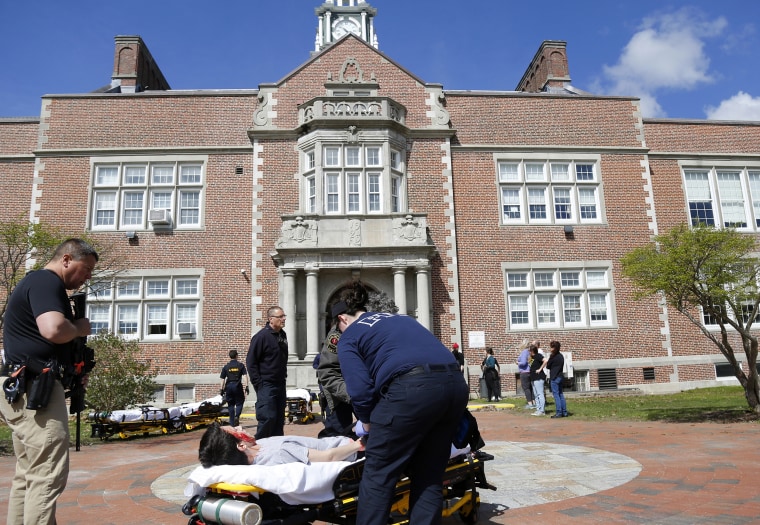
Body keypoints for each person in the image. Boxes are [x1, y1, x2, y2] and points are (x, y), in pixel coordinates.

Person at [334, 280, 469, 525]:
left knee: (378, 475)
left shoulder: (350, 336)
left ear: (342, 319)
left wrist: (367, 423)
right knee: (429, 473)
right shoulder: (401, 319)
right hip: (455, 386)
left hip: (412, 389)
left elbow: (360, 390)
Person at [0, 238, 98, 525]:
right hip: (35, 389)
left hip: (22, 389)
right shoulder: (46, 281)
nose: (88, 277)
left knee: (29, 474)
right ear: (66, 259)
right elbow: (53, 329)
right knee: (47, 475)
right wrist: (80, 327)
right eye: (86, 268)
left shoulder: (36, 283)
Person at [198, 421, 363, 467]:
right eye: (236, 429)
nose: (241, 427)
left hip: (337, 440)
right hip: (351, 450)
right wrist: (360, 444)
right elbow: (329, 457)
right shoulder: (280, 452)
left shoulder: (259, 446)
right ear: (241, 446)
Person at [246, 306, 288, 439]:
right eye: (280, 317)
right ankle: (258, 448)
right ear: (271, 319)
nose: (284, 319)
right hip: (266, 385)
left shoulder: (282, 335)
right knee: (268, 418)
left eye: (284, 316)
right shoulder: (261, 337)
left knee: (279, 419)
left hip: (280, 383)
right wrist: (259, 384)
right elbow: (251, 362)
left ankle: (276, 448)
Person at [316, 320, 355, 438]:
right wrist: (352, 394)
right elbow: (328, 371)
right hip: (339, 395)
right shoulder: (337, 333)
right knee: (338, 435)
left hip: (358, 391)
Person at [220, 349, 248, 426]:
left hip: (228, 386)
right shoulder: (241, 365)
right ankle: (237, 416)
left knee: (230, 404)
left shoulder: (226, 367)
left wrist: (221, 389)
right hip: (237, 386)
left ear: (230, 356)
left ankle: (232, 424)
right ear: (236, 356)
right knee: (239, 402)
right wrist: (246, 386)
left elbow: (222, 379)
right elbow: (245, 376)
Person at [547, 340, 569, 418]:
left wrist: (550, 356)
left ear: (554, 348)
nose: (550, 349)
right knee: (561, 394)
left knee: (556, 395)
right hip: (560, 376)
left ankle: (559, 412)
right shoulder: (561, 356)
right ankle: (564, 412)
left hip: (554, 377)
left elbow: (548, 366)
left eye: (551, 347)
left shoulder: (553, 357)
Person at [517, 338, 535, 409]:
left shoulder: (524, 352)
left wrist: (518, 363)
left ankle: (530, 404)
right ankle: (534, 403)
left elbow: (524, 363)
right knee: (531, 388)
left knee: (526, 388)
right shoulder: (529, 352)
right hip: (529, 371)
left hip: (524, 372)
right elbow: (530, 361)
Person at [529, 344, 547, 416]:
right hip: (533, 377)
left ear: (532, 351)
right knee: (536, 394)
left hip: (538, 377)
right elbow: (529, 364)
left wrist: (540, 369)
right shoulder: (531, 358)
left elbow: (545, 360)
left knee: (540, 393)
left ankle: (542, 411)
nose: (529, 352)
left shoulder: (538, 355)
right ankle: (538, 409)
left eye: (529, 350)